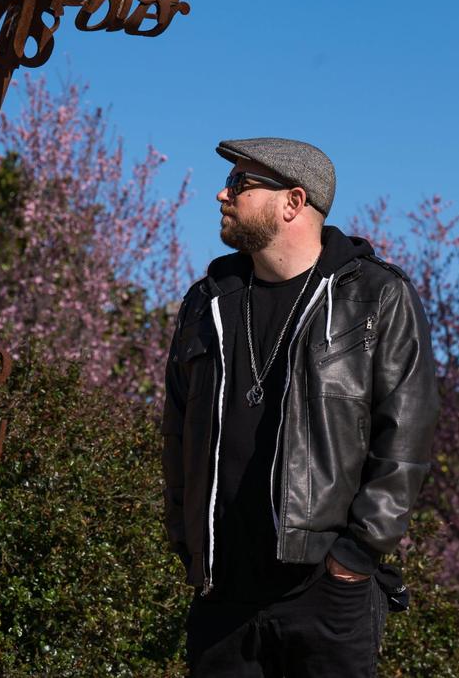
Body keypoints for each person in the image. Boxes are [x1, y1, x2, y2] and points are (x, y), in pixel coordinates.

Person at [160, 137, 439, 677]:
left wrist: (355, 557)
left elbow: (405, 437)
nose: (222, 193)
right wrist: (185, 540)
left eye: (241, 184)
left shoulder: (375, 297)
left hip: (324, 590)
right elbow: (176, 431)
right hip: (224, 592)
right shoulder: (207, 301)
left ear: (293, 201)